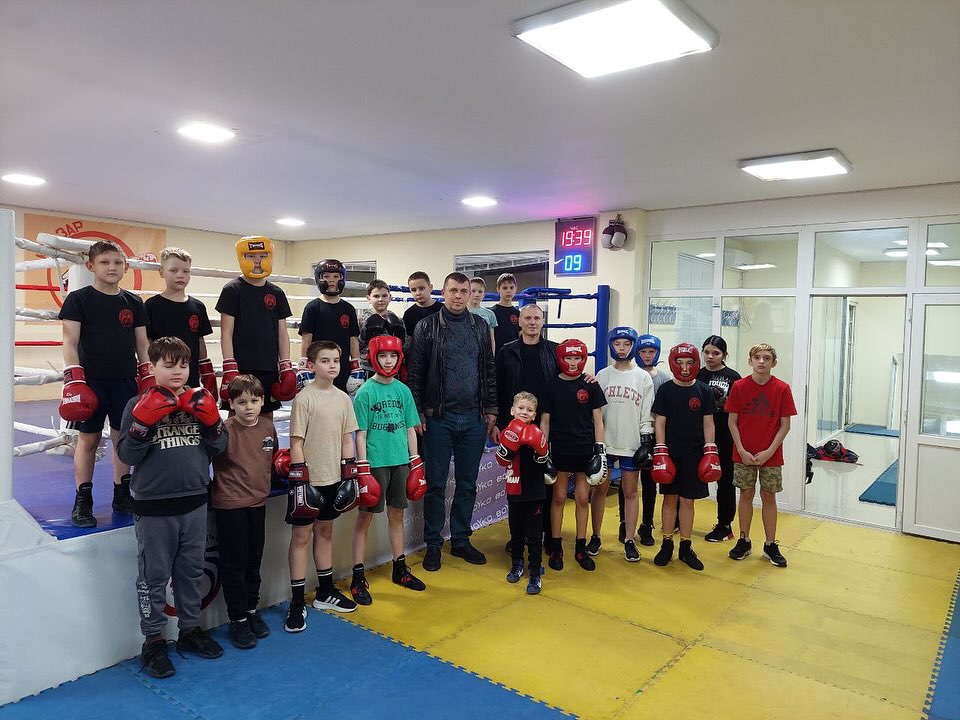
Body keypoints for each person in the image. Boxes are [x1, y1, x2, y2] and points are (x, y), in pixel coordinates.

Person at [116, 337, 228, 679]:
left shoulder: (200, 400)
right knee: (153, 578)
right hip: (154, 507)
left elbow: (220, 447)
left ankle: (190, 630)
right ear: (152, 368)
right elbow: (126, 455)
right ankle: (153, 641)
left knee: (191, 572)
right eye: (168, 365)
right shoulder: (137, 403)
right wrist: (142, 424)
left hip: (194, 502)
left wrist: (212, 422)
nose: (177, 371)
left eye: (183, 364)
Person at [406, 272, 497, 572]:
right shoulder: (426, 326)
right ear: (443, 292)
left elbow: (489, 369)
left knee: (468, 484)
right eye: (453, 290)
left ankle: (460, 540)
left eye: (463, 291)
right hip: (438, 418)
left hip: (473, 417)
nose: (458, 296)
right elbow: (415, 373)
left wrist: (491, 408)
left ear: (470, 294)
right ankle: (433, 543)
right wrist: (418, 411)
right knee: (435, 484)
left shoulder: (480, 325)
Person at [58, 239, 150, 528]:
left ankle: (122, 494)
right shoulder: (79, 299)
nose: (112, 267)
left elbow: (142, 344)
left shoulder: (133, 302)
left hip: (125, 380)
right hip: (91, 381)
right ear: (90, 266)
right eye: (104, 262)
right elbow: (69, 341)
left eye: (117, 262)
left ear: (125, 266)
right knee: (89, 440)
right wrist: (74, 379)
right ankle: (83, 499)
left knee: (123, 438)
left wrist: (148, 375)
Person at [284, 340, 360, 633]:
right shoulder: (304, 399)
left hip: (333, 478)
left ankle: (325, 592)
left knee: (325, 532)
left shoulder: (343, 399)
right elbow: (296, 442)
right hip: (309, 480)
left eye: (336, 360)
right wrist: (301, 480)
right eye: (325, 360)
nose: (332, 365)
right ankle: (296, 601)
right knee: (301, 536)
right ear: (312, 365)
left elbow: (346, 438)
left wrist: (349, 475)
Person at [350, 335, 427, 604]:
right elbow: (360, 434)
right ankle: (357, 576)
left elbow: (410, 428)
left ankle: (399, 568)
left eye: (393, 356)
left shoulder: (403, 391)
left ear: (399, 358)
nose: (388, 361)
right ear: (374, 358)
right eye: (383, 355)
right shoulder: (365, 392)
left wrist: (415, 461)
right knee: (365, 518)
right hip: (375, 463)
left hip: (400, 462)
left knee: (397, 514)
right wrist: (362, 468)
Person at [210, 375, 278, 649]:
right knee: (234, 564)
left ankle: (251, 610)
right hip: (230, 505)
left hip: (258, 503)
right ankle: (237, 619)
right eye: (241, 402)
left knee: (253, 561)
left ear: (262, 401)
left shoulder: (268, 427)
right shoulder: (224, 430)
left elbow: (270, 459)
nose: (248, 407)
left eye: (254, 400)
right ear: (231, 404)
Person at [726, 343, 797, 568]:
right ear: (750, 361)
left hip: (771, 455)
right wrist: (741, 449)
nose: (761, 361)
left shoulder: (782, 388)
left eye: (767, 358)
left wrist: (769, 451)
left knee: (769, 496)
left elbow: (785, 425)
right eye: (757, 357)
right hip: (744, 453)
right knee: (745, 494)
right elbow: (732, 422)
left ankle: (770, 543)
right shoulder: (739, 386)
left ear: (773, 363)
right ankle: (744, 539)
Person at [649, 344, 718, 571]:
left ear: (696, 363)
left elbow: (708, 422)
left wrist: (710, 450)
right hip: (670, 452)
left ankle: (686, 547)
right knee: (669, 499)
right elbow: (660, 422)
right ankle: (667, 544)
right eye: (680, 363)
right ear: (673, 364)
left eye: (689, 363)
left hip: (695, 453)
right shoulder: (666, 390)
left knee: (688, 501)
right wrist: (660, 450)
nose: (685, 368)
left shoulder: (704, 391)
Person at [540, 339, 606, 572]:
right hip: (559, 449)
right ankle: (556, 547)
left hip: (585, 449)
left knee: (582, 498)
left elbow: (598, 421)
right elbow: (545, 420)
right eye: (568, 358)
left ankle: (580, 547)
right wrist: (543, 449)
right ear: (561, 359)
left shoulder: (590, 385)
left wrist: (600, 450)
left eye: (577, 358)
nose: (572, 362)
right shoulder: (551, 385)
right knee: (558, 498)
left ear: (583, 359)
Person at [495, 304, 557, 552]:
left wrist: (589, 379)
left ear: (542, 322)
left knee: (546, 484)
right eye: (527, 318)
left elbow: (568, 379)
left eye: (537, 318)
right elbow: (498, 388)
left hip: (546, 426)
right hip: (514, 428)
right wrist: (498, 423)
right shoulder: (506, 351)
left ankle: (548, 537)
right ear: (519, 321)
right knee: (517, 485)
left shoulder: (554, 351)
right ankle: (517, 537)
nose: (532, 322)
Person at [215, 236, 295, 417]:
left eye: (262, 255)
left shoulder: (276, 293)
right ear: (242, 257)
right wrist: (229, 366)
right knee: (237, 418)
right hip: (240, 368)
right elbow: (226, 332)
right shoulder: (232, 290)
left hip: (268, 366)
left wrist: (286, 366)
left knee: (266, 417)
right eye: (251, 256)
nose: (257, 261)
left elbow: (282, 333)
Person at [595, 327, 654, 563]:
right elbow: (596, 412)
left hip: (631, 443)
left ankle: (629, 539)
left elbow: (646, 412)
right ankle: (596, 535)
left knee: (630, 492)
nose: (622, 348)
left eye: (626, 344)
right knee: (599, 490)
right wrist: (596, 441)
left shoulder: (643, 377)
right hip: (606, 442)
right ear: (611, 345)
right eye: (617, 344)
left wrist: (646, 439)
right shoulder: (602, 375)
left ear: (633, 346)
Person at [621, 333, 672, 547]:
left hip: (653, 435)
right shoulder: (628, 375)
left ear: (657, 353)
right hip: (631, 433)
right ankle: (625, 523)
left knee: (650, 482)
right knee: (627, 483)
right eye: (643, 351)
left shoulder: (664, 379)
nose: (647, 355)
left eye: (651, 351)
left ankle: (647, 525)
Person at [496, 392, 549, 595]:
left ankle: (535, 571)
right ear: (512, 410)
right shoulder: (507, 433)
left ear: (534, 415)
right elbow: (501, 461)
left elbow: (543, 461)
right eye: (520, 408)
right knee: (516, 532)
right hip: (514, 489)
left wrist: (539, 448)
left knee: (534, 535)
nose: (524, 412)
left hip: (534, 492)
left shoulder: (537, 434)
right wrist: (512, 443)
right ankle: (517, 564)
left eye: (529, 410)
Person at [144, 247, 215, 393]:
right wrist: (148, 372)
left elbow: (200, 340)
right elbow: (147, 341)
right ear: (161, 272)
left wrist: (206, 371)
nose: (180, 275)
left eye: (185, 271)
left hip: (190, 374)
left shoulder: (198, 306)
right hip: (163, 375)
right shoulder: (152, 305)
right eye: (173, 270)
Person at [697, 335, 742, 543]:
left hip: (725, 436)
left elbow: (738, 410)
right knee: (689, 475)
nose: (710, 356)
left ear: (724, 355)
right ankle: (679, 518)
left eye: (715, 353)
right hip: (700, 435)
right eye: (707, 352)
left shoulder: (733, 377)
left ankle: (725, 525)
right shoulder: (698, 375)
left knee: (725, 481)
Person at [298, 258, 362, 394]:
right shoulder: (312, 308)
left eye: (336, 276)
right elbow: (306, 338)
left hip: (341, 367)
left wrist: (356, 366)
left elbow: (353, 339)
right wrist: (304, 366)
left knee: (340, 401)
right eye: (326, 276)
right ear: (319, 279)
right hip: (318, 367)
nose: (331, 280)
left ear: (342, 279)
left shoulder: (348, 309)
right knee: (317, 401)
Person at [358, 279, 405, 376]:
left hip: (392, 367)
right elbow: (356, 346)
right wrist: (365, 335)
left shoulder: (398, 320)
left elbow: (405, 347)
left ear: (390, 297)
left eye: (384, 296)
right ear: (368, 298)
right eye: (376, 296)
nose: (380, 299)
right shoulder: (361, 320)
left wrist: (401, 337)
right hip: (368, 368)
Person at [401, 271, 442, 343]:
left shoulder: (443, 310)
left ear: (430, 288)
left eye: (422, 288)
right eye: (414, 290)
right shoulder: (409, 314)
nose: (418, 293)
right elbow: (408, 342)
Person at [491, 272, 520, 353]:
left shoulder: (518, 313)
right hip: (497, 354)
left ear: (515, 289)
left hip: (514, 354)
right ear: (498, 289)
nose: (508, 291)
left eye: (511, 287)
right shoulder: (492, 313)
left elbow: (521, 335)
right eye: (505, 288)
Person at [467, 277, 498, 353]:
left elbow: (491, 339)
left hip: (483, 353)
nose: (477, 294)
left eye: (480, 291)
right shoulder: (460, 311)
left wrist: (492, 355)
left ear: (484, 294)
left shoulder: (490, 314)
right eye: (473, 291)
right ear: (467, 292)